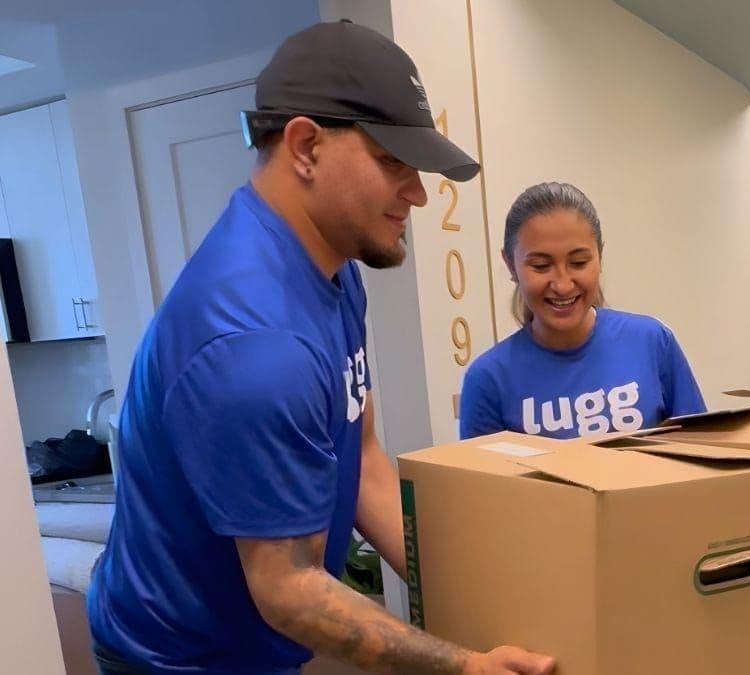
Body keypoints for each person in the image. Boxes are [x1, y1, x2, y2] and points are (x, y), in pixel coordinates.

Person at [87, 21, 555, 675]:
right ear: (305, 146)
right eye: (394, 162)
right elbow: (289, 591)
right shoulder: (256, 345)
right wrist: (462, 665)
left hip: (258, 630)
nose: (419, 193)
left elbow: (361, 461)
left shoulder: (334, 272)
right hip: (178, 659)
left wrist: (470, 598)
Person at [459, 182, 706, 440]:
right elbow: (478, 479)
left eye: (578, 263)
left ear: (600, 257)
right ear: (511, 265)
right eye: (541, 266)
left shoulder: (652, 342)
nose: (563, 285)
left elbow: (702, 453)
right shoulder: (488, 379)